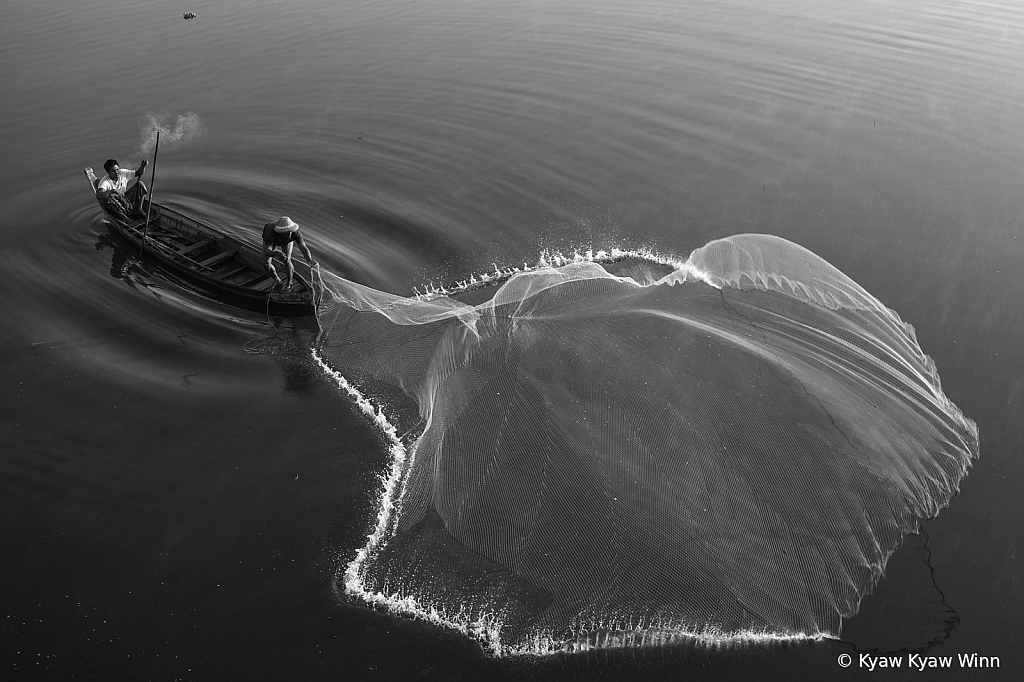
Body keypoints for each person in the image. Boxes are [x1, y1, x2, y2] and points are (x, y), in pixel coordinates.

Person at [262, 216, 315, 289]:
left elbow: (303, 248)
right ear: (280, 232)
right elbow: (267, 251)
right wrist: (278, 254)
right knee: (266, 265)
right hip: (273, 241)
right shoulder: (270, 232)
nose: (290, 234)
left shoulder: (295, 233)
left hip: (287, 242)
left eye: (290, 231)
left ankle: (289, 284)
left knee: (287, 260)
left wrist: (309, 260)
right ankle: (277, 280)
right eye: (286, 232)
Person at [95, 158, 149, 223]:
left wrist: (143, 166)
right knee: (108, 198)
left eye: (117, 169)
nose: (116, 172)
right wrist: (113, 191)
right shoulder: (104, 181)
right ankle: (122, 216)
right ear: (108, 172)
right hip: (116, 205)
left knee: (140, 184)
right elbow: (99, 195)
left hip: (125, 198)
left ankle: (139, 209)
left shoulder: (123, 173)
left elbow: (139, 173)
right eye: (113, 171)